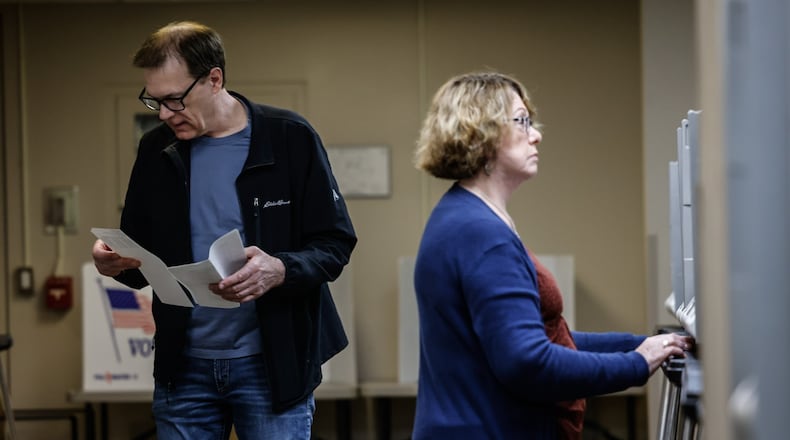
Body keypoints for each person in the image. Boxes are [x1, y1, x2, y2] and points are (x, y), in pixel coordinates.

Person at [91, 21, 356, 439]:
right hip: (184, 368)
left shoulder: (290, 138)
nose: (164, 114)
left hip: (272, 366)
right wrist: (113, 262)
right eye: (154, 101)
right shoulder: (156, 150)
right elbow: (140, 261)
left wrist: (280, 268)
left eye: (175, 99)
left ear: (215, 79)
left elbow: (334, 243)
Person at [411, 72, 692, 439]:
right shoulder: (480, 232)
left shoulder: (466, 216)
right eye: (522, 121)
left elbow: (545, 338)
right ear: (481, 131)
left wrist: (640, 345)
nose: (536, 134)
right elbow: (529, 362)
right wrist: (636, 363)